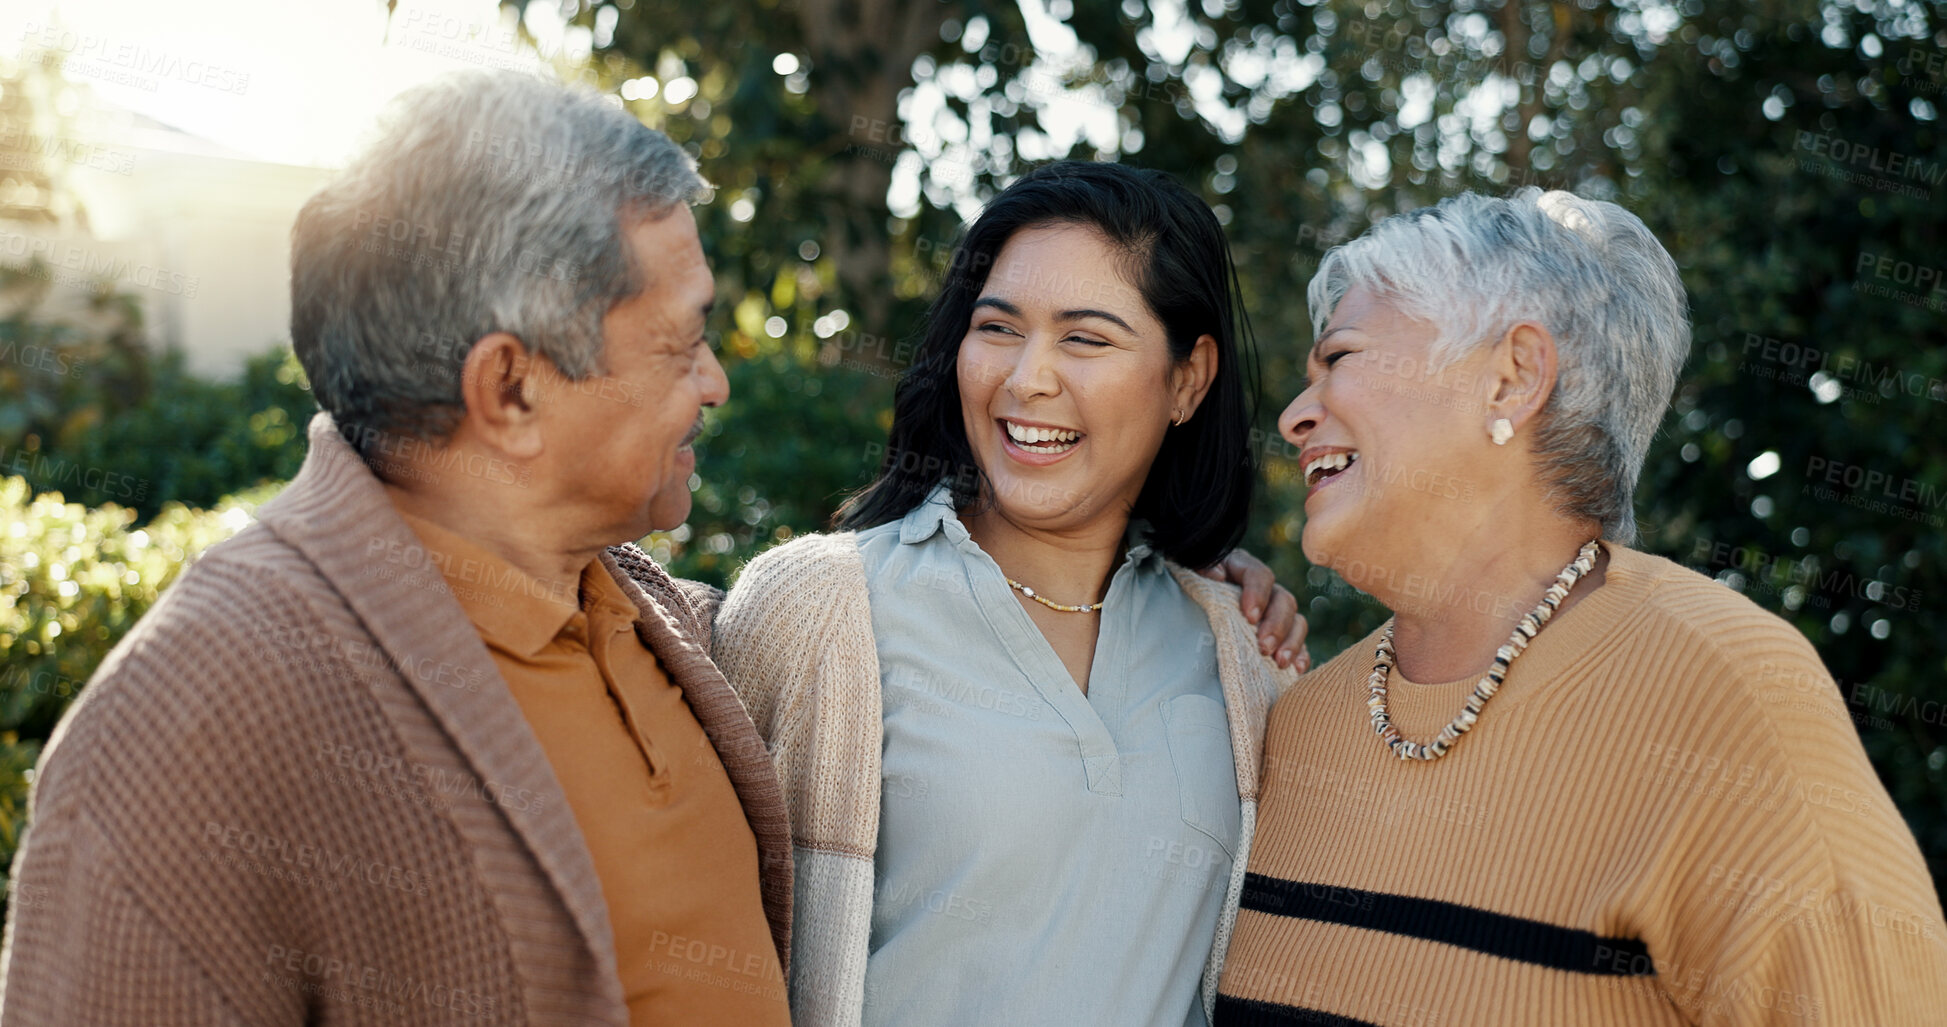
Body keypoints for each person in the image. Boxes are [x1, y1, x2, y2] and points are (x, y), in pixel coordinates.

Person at [0, 71, 792, 1025]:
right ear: (508, 389)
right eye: (682, 342)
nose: (716, 383)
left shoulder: (647, 613)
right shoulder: (192, 712)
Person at [1216, 189, 1947, 1025]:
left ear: (1512, 376)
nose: (1293, 415)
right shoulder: (1298, 722)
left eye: (1338, 357)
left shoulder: (1725, 691)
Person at [714, 160, 1302, 1027]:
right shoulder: (821, 606)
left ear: (1187, 379)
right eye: (998, 327)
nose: (1027, 378)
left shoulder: (1243, 651)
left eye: (1085, 338)